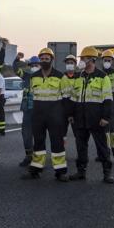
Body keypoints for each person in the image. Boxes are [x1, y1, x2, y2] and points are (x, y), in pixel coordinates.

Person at [22, 48, 70, 182]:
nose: (44, 61)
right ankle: (36, 170)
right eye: (42, 59)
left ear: (51, 60)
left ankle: (60, 172)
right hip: (38, 115)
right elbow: (32, 96)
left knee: (57, 144)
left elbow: (66, 98)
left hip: (55, 116)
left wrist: (66, 116)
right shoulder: (34, 77)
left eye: (46, 59)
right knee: (38, 144)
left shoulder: (61, 77)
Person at [68, 46, 114, 184]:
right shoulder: (78, 76)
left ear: (91, 60)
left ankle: (107, 173)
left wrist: (106, 117)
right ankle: (81, 171)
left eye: (83, 58)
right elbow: (73, 97)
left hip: (97, 119)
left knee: (102, 147)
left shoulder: (102, 77)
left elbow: (107, 98)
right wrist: (71, 114)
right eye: (81, 58)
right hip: (80, 118)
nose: (81, 61)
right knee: (81, 146)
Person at [17, 56, 41, 167]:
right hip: (27, 110)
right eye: (32, 65)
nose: (34, 67)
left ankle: (38, 159)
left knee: (39, 136)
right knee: (26, 134)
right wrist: (17, 59)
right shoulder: (26, 76)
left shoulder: (44, 77)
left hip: (39, 111)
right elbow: (16, 69)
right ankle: (28, 156)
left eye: (36, 65)